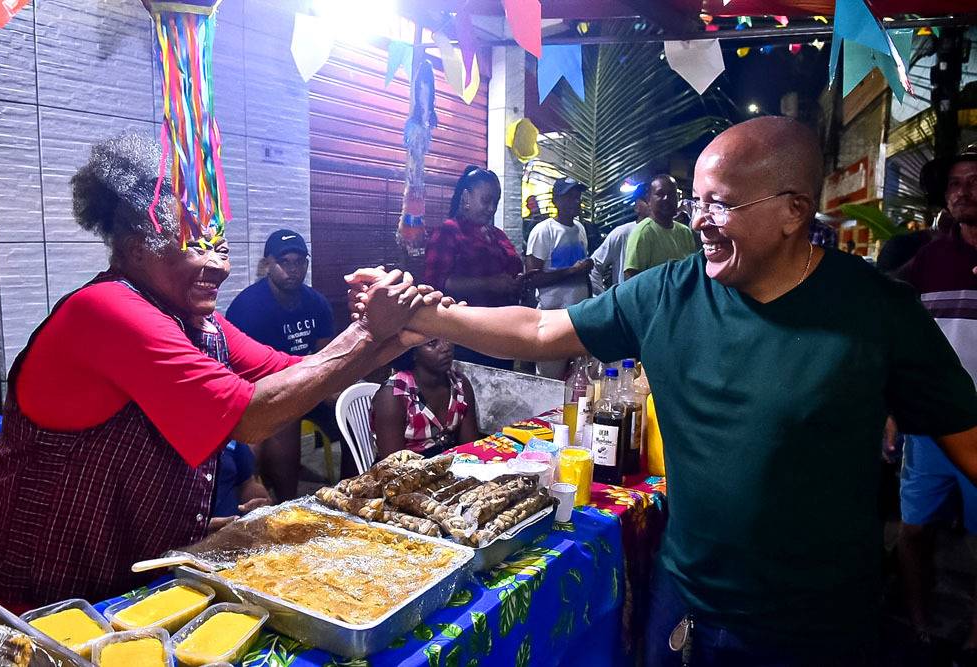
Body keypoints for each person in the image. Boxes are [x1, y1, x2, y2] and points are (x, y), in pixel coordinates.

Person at [349, 117, 977, 665]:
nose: (699, 220)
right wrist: (422, 317)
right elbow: (541, 328)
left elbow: (966, 440)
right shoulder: (669, 292)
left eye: (720, 204)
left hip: (818, 624)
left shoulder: (878, 312)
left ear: (793, 211)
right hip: (687, 604)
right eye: (696, 200)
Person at [0, 134, 431, 605]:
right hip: (47, 596)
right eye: (196, 246)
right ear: (137, 250)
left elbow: (296, 372)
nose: (218, 265)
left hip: (132, 582)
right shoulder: (106, 309)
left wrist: (392, 337)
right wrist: (366, 334)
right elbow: (250, 414)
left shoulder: (200, 322)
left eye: (222, 245)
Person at [897, 144, 977, 660]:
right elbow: (896, 335)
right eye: (955, 184)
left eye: (973, 180)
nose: (964, 191)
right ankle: (917, 619)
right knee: (913, 528)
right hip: (928, 423)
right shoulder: (929, 257)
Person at [226, 229, 337, 500]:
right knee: (283, 415)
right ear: (268, 265)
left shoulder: (316, 303)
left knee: (349, 402)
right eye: (284, 262)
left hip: (307, 380)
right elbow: (239, 372)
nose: (293, 269)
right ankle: (288, 499)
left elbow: (326, 356)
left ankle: (351, 484)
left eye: (299, 262)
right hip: (262, 386)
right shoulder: (247, 307)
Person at [423, 166, 523, 370]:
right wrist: (489, 284)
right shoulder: (448, 232)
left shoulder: (497, 235)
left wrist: (520, 281)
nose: (492, 208)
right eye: (486, 201)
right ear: (466, 198)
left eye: (495, 202)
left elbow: (512, 269)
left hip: (501, 334)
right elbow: (436, 284)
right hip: (467, 339)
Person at [525, 176, 591, 378]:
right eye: (568, 197)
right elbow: (533, 278)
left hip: (578, 318)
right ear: (556, 200)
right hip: (552, 319)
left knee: (579, 379)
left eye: (577, 197)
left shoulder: (580, 228)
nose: (574, 202)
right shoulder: (544, 231)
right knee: (550, 379)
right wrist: (572, 271)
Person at [371, 339, 479, 459]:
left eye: (447, 338)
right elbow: (392, 464)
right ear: (413, 352)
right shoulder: (393, 395)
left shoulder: (459, 384)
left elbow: (470, 448)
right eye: (432, 343)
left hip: (450, 470)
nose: (445, 348)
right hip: (404, 473)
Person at [623, 174, 694, 280]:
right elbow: (631, 278)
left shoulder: (685, 232)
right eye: (660, 194)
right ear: (649, 200)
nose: (666, 199)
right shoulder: (643, 232)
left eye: (671, 194)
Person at [589, 182, 650, 295]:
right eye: (647, 200)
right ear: (637, 206)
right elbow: (594, 266)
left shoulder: (674, 232)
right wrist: (603, 298)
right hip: (627, 304)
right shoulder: (623, 233)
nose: (652, 204)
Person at [211, 440, 271, 519]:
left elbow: (247, 483)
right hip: (195, 527)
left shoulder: (233, 439)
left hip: (231, 525)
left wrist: (261, 504)